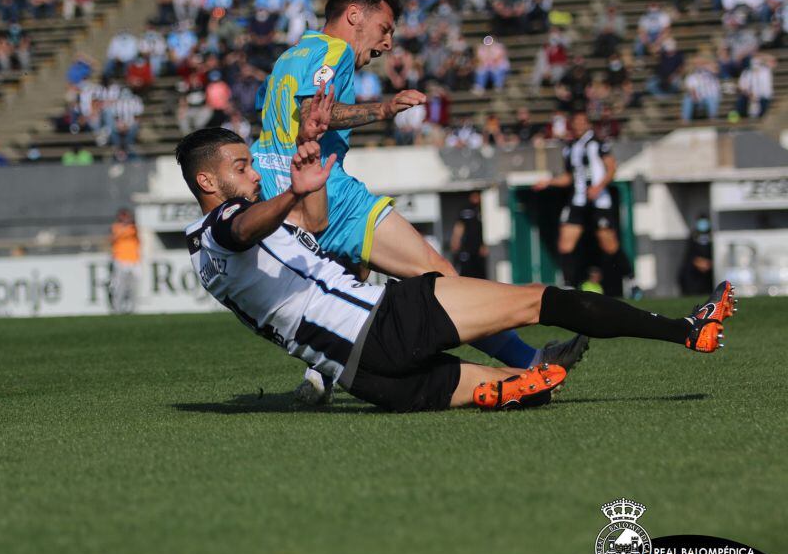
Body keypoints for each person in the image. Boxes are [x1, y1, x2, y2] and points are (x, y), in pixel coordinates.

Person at [176, 127, 733, 412]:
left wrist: (308, 182)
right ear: (208, 182)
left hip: (366, 378)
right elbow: (242, 226)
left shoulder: (206, 255)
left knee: (534, 389)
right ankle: (688, 330)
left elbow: (311, 228)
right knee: (544, 300)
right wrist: (287, 196)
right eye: (242, 166)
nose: (253, 175)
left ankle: (511, 385)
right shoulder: (228, 224)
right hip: (386, 320)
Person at [251, 0, 581, 402]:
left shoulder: (287, 57)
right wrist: (384, 108)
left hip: (287, 205)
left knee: (348, 288)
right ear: (354, 15)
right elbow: (312, 111)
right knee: (439, 274)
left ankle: (319, 379)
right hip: (330, 197)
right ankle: (528, 359)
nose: (387, 43)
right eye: (384, 28)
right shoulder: (333, 51)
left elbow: (272, 113)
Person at [533, 110, 632, 291]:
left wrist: (598, 187)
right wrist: (548, 182)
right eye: (575, 122)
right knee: (565, 243)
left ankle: (631, 281)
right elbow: (569, 177)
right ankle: (569, 286)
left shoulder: (598, 143)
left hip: (599, 200)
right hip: (577, 200)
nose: (579, 126)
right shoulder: (569, 147)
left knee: (609, 245)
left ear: (588, 124)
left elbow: (611, 168)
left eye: (582, 122)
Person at [110, 208, 141, 314]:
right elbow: (114, 238)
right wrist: (126, 227)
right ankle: (117, 309)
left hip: (134, 260)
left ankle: (133, 309)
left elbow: (137, 235)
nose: (125, 218)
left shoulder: (134, 228)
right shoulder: (116, 227)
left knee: (133, 287)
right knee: (120, 286)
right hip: (121, 260)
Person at [450, 191, 487, 278]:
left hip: (479, 245)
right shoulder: (465, 210)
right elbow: (459, 226)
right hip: (466, 245)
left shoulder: (485, 209)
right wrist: (455, 240)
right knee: (466, 269)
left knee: (479, 271)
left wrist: (485, 244)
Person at [680, 214, 714, 295]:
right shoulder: (693, 236)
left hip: (709, 270)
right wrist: (698, 262)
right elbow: (689, 254)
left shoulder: (712, 236)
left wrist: (709, 263)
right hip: (694, 271)